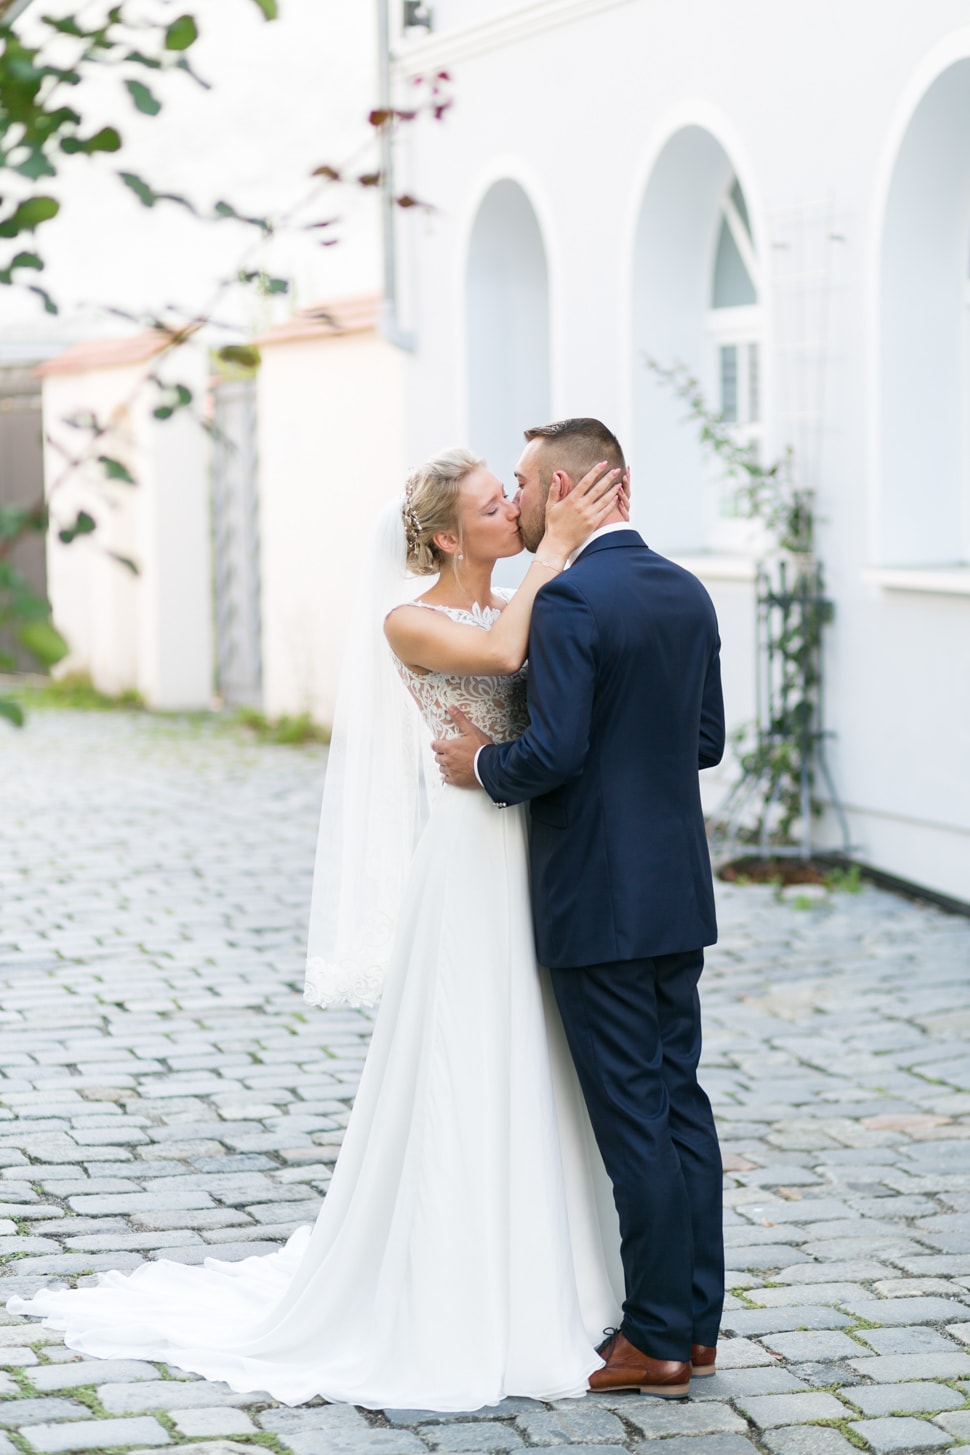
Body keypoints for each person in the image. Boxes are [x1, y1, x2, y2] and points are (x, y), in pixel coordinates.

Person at [8, 447, 631, 1412]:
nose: (514, 508)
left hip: (536, 853)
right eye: (492, 503)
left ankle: (558, 1269)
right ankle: (457, 1284)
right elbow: (504, 660)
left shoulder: (536, 594)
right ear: (440, 536)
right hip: (468, 859)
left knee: (542, 1052)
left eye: (512, 497)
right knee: (470, 1050)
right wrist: (559, 553)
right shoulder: (412, 618)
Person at [435, 417, 726, 1399]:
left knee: (633, 1117)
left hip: (595, 896)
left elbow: (551, 754)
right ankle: (696, 1320)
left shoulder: (564, 603)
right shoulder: (684, 590)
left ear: (567, 492)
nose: (511, 501)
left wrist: (478, 762)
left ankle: (654, 1341)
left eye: (520, 483)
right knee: (679, 1100)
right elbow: (703, 741)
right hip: (676, 892)